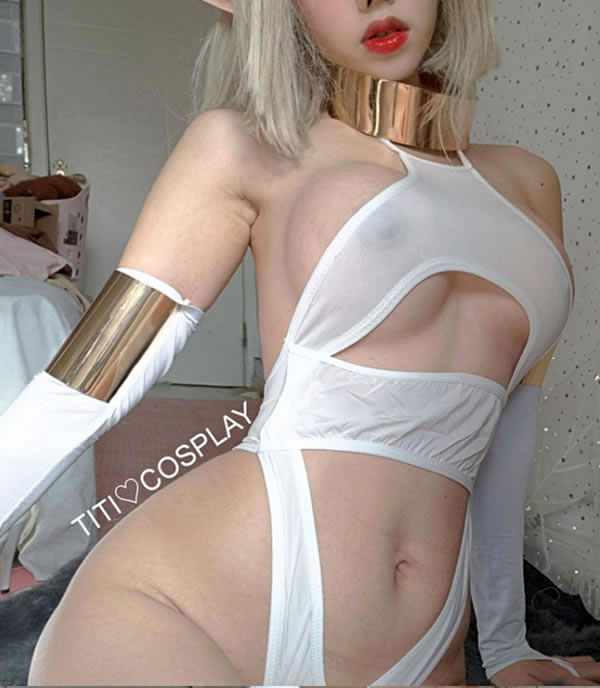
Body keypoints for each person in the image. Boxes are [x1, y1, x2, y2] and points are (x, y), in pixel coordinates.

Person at [0, 0, 598, 684]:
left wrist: (506, 643)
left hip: (423, 647)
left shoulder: (529, 181)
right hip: (194, 605)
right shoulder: (243, 146)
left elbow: (505, 432)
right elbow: (82, 389)